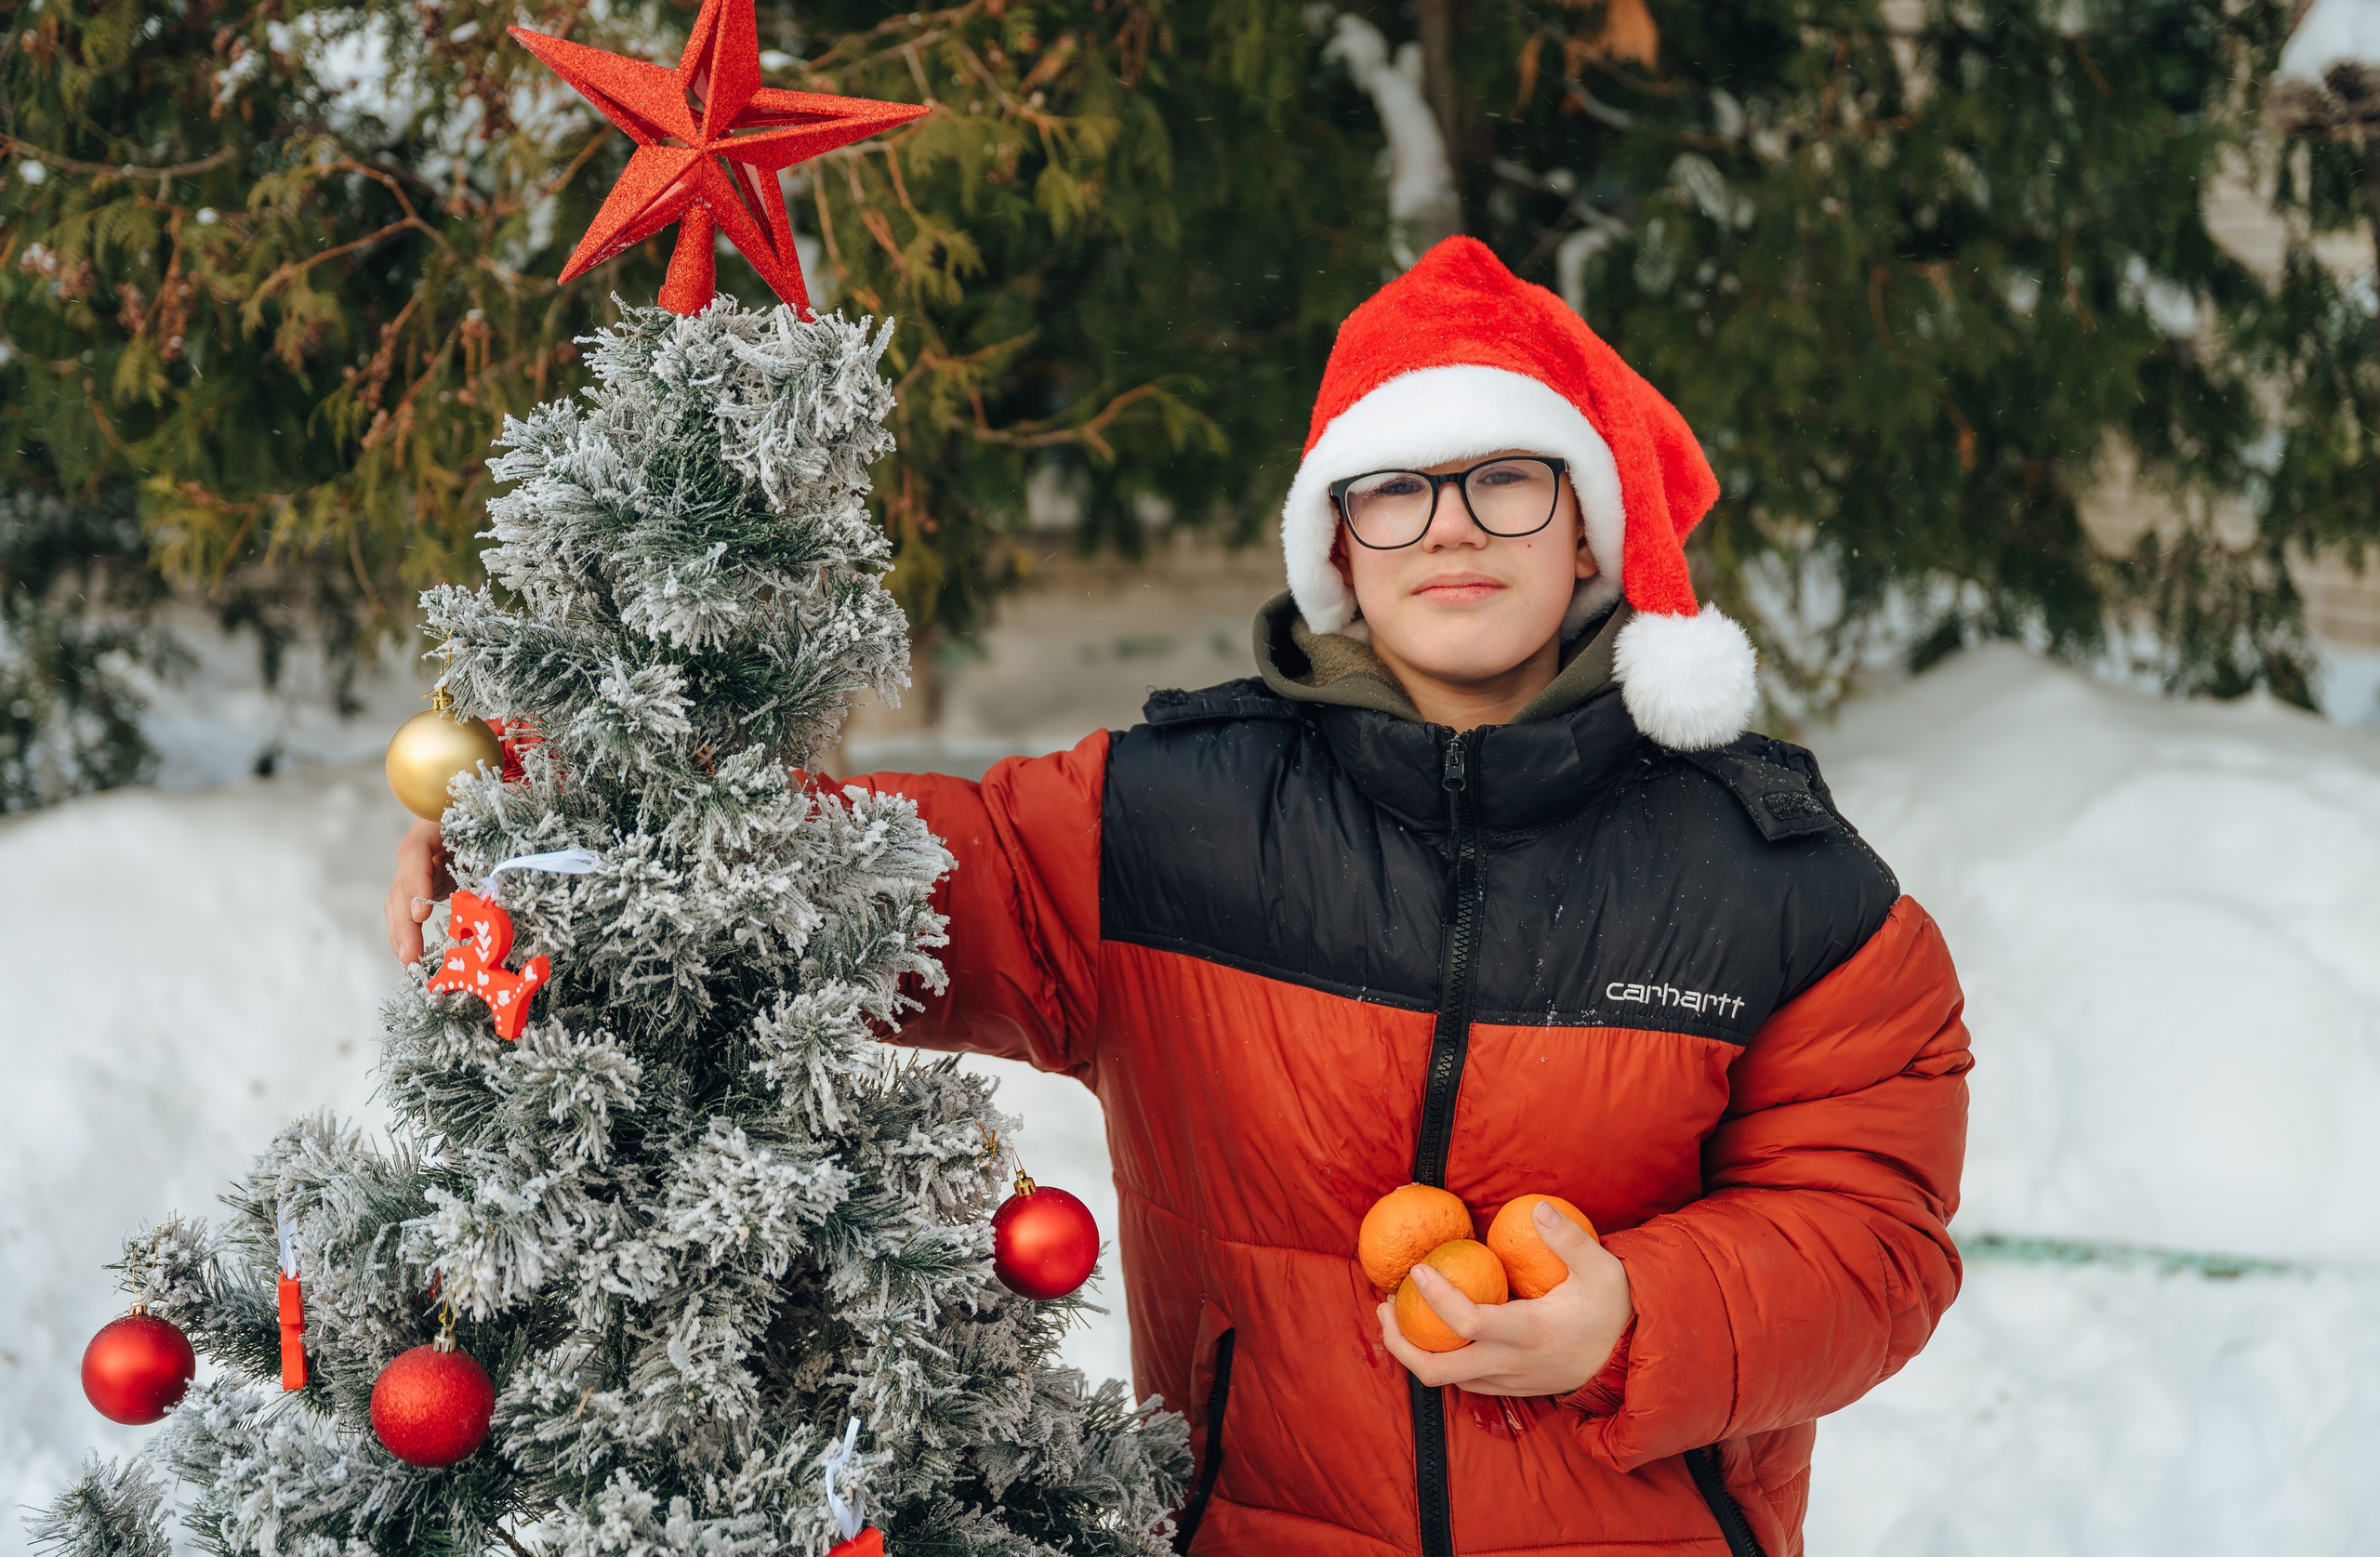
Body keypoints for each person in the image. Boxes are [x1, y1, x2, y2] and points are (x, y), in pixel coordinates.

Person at [388, 237, 1969, 1557]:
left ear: (1586, 530)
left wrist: (1635, 1315)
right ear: (1338, 542)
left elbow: (1873, 1241)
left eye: (1506, 481)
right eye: (1395, 490)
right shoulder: (1170, 819)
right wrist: (552, 824)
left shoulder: (1782, 882)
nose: (1452, 530)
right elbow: (866, 873)